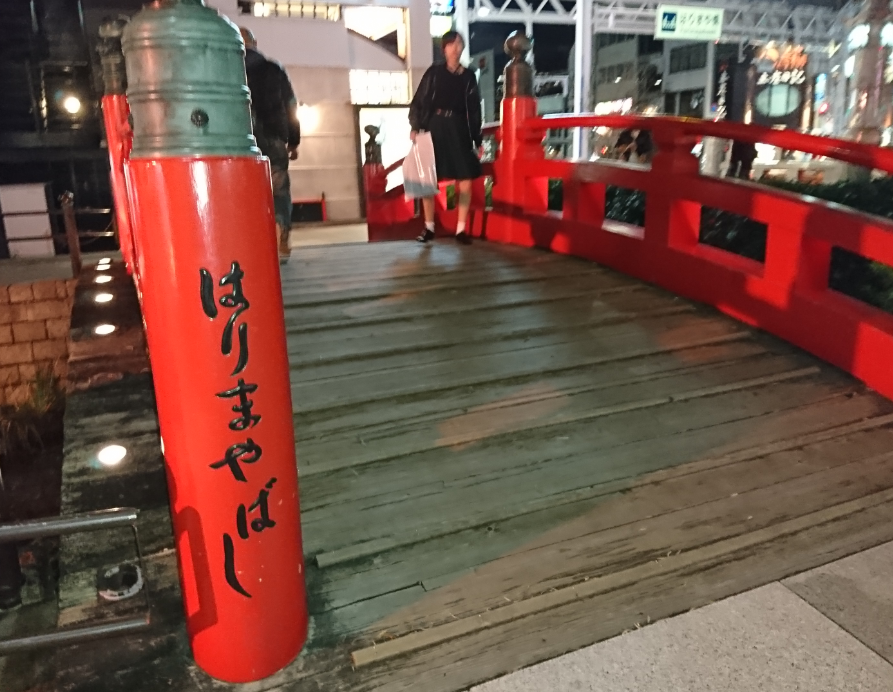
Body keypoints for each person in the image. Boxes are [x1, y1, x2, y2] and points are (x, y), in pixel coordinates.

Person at [409, 31, 483, 245]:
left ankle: (461, 229)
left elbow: (474, 109)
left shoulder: (469, 76)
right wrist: (415, 126)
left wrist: (477, 139)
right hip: (434, 125)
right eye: (451, 44)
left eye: (459, 44)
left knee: (465, 178)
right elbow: (419, 100)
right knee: (427, 179)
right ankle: (429, 227)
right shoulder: (434, 72)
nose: (455, 48)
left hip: (458, 127)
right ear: (444, 49)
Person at [240, 27, 301, 261]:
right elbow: (290, 105)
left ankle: (252, 246)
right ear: (254, 42)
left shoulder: (228, 69)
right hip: (274, 139)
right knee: (279, 190)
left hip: (241, 141)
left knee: (245, 192)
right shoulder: (274, 69)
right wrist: (293, 140)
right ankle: (280, 237)